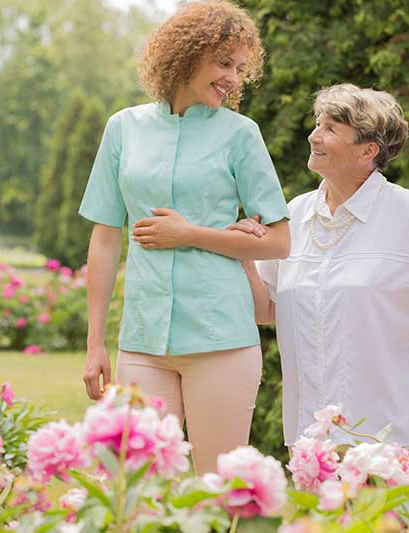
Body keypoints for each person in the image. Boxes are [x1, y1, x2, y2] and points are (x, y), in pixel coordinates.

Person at [77, 1, 290, 474]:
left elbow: (278, 240)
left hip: (222, 340)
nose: (233, 78)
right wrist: (96, 343)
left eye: (239, 67)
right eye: (222, 63)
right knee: (138, 488)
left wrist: (190, 234)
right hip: (142, 340)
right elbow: (106, 239)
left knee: (217, 490)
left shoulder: (241, 135)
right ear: (185, 55)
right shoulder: (123, 128)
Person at [233, 83, 409, 449]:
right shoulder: (294, 214)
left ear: (368, 150)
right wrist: (245, 257)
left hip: (388, 440)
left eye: (330, 129)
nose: (313, 136)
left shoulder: (407, 213)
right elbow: (267, 310)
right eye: (317, 124)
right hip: (310, 439)